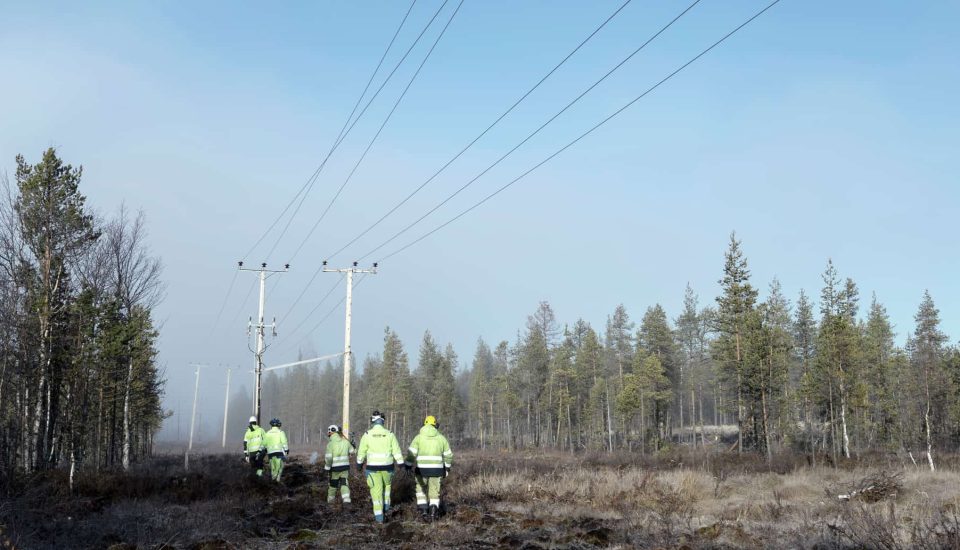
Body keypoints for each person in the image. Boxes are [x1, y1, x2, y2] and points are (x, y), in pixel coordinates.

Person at [356, 410, 403, 523]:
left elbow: (361, 452)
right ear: (383, 421)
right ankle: (386, 507)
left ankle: (379, 519)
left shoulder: (367, 435)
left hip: (372, 469)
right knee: (387, 486)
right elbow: (396, 450)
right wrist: (401, 463)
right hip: (388, 468)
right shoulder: (390, 434)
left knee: (376, 493)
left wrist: (359, 464)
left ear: (372, 421)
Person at [405, 415, 453, 520]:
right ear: (435, 425)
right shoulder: (441, 438)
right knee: (434, 491)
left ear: (425, 424)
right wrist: (447, 468)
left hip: (421, 470)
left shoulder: (418, 437)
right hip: (437, 470)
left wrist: (408, 466)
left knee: (421, 489)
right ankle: (433, 512)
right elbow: (449, 455)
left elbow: (411, 454)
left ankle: (423, 511)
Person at [323, 424, 353, 506]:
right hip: (345, 468)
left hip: (334, 470)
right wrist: (353, 444)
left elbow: (328, 458)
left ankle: (330, 503)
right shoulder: (346, 442)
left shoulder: (330, 444)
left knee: (333, 486)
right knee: (344, 483)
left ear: (330, 433)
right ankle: (346, 500)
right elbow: (352, 451)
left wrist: (326, 468)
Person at [264, 418, 289, 482]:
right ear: (278, 425)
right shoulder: (280, 432)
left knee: (273, 467)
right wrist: (286, 450)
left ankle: (273, 481)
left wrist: (265, 450)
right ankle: (277, 481)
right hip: (279, 453)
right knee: (280, 467)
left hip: (270, 454)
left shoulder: (267, 433)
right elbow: (284, 442)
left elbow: (264, 443)